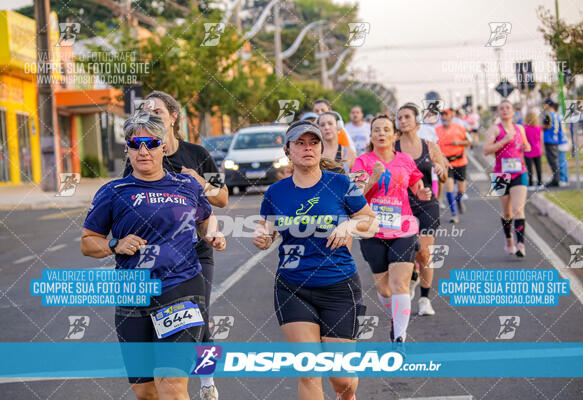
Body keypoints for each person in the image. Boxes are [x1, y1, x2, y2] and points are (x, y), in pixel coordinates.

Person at [81, 112, 226, 400]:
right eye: (135, 144)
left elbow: (206, 218)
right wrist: (114, 245)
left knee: (170, 381)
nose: (143, 150)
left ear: (163, 147)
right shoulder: (113, 191)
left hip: (181, 286)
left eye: (151, 143)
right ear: (127, 149)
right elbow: (88, 242)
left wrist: (213, 233)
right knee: (146, 391)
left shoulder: (187, 186)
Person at [253, 120, 378, 400]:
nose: (307, 148)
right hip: (293, 286)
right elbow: (266, 228)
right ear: (288, 151)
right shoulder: (276, 192)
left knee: (341, 379)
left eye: (313, 143)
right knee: (308, 369)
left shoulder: (340, 184)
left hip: (339, 287)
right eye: (300, 143)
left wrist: (350, 226)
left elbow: (372, 224)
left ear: (321, 148)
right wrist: (262, 236)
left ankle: (346, 395)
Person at [125, 91, 227, 399]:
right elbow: (125, 200)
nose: (152, 114)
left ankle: (207, 383)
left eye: (157, 110)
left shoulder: (196, 154)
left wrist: (198, 179)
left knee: (199, 313)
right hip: (153, 254)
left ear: (174, 117)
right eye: (146, 110)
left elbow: (221, 199)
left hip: (195, 251)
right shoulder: (138, 155)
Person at [351, 115, 432, 343]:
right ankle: (397, 319)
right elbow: (354, 195)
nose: (381, 134)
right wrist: (373, 178)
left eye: (386, 129)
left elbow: (416, 184)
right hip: (372, 230)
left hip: (403, 228)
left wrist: (422, 192)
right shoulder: (362, 161)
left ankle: (399, 336)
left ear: (394, 135)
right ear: (371, 135)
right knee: (384, 288)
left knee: (399, 283)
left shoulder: (405, 160)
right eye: (376, 130)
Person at [395, 103, 448, 316]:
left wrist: (440, 169)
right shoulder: (393, 148)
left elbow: (444, 176)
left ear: (417, 121)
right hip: (400, 206)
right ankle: (414, 276)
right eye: (399, 118)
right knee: (408, 250)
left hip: (427, 203)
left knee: (425, 253)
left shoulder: (429, 146)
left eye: (407, 116)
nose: (403, 120)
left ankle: (425, 299)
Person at [483, 100, 531, 257]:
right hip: (501, 175)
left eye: (507, 108)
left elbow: (526, 145)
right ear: (498, 112)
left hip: (519, 172)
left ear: (512, 111)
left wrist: (526, 147)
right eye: (501, 108)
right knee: (507, 213)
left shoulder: (520, 128)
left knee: (518, 209)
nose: (504, 111)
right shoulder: (494, 129)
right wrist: (504, 140)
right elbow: (486, 150)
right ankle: (509, 238)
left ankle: (521, 244)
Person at [436, 109, 472, 223]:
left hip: (460, 162)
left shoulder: (460, 128)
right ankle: (454, 214)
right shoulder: (436, 131)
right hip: (446, 163)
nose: (444, 118)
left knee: (461, 190)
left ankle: (459, 200)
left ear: (451, 116)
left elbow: (470, 141)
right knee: (449, 187)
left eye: (446, 115)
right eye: (442, 116)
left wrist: (459, 142)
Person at [542, 99, 564, 187]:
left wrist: (540, 127)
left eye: (545, 104)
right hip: (555, 139)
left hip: (549, 139)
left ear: (548, 105)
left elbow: (547, 126)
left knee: (553, 161)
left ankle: (556, 179)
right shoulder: (556, 115)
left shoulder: (549, 115)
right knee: (555, 160)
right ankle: (556, 178)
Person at [523, 111, 543, 189]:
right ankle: (539, 183)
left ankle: (530, 183)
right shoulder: (538, 128)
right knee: (539, 167)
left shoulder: (525, 128)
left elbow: (523, 140)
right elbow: (541, 139)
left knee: (529, 168)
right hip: (537, 150)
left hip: (528, 151)